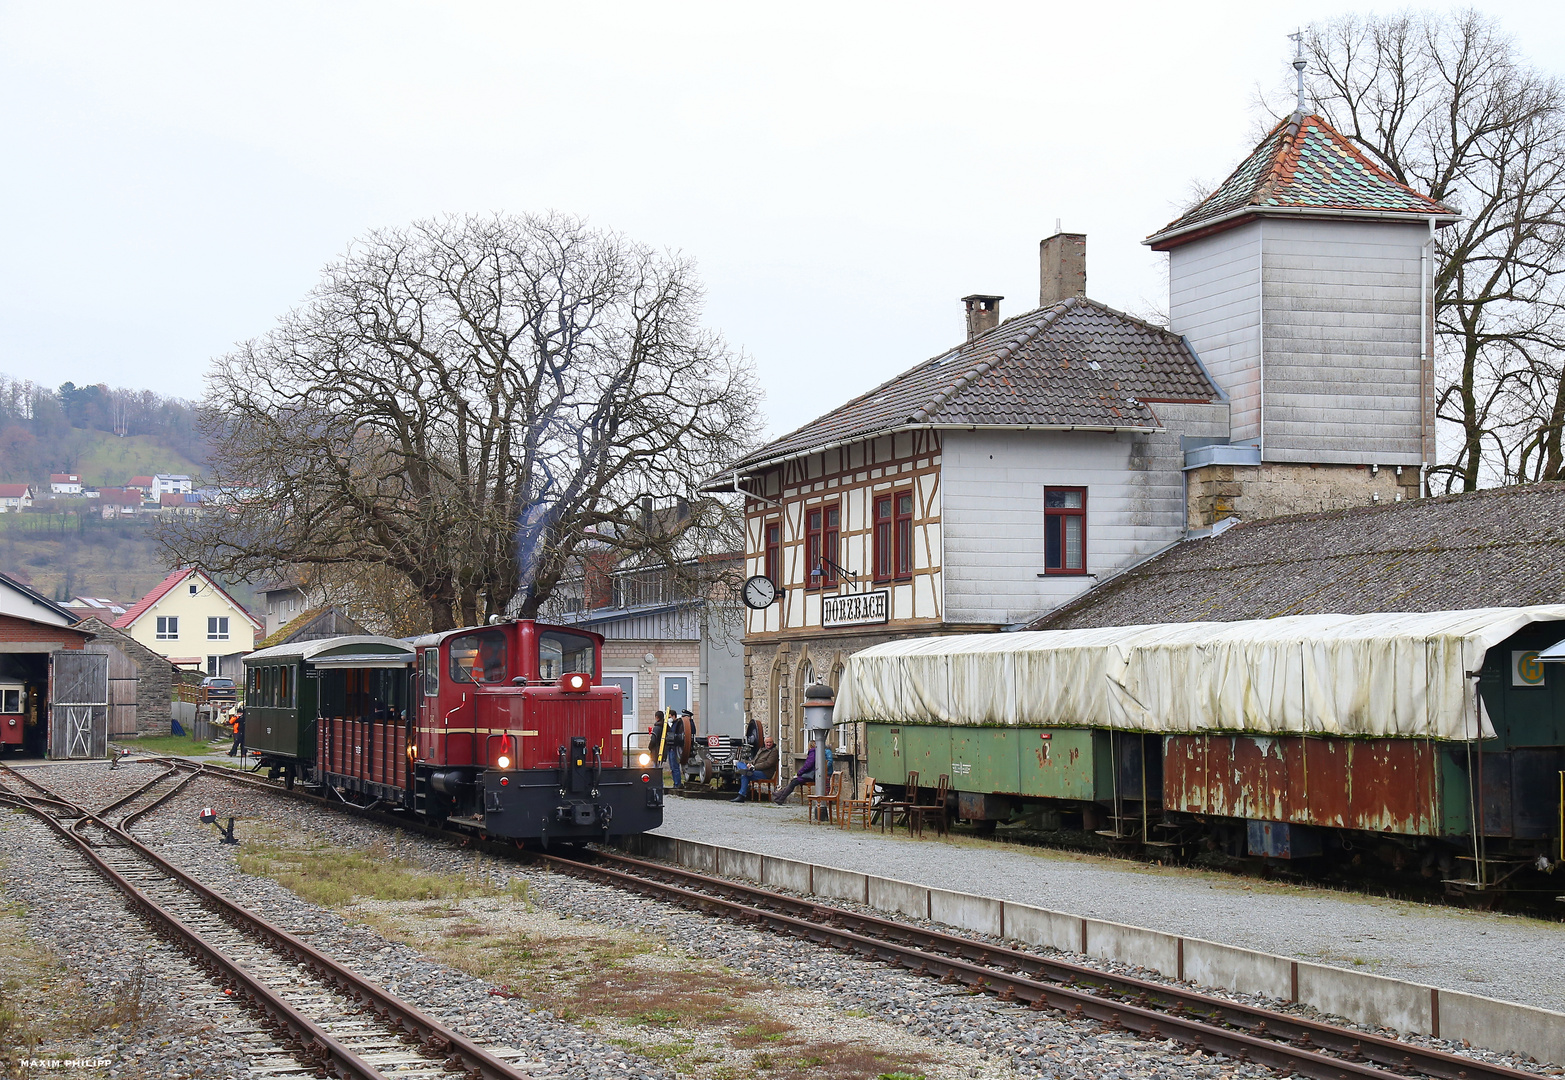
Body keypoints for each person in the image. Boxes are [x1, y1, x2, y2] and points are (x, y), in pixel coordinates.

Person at [731, 736, 778, 802]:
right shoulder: (761, 749)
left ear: (772, 743)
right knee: (740, 763)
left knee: (745, 775)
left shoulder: (774, 751)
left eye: (770, 742)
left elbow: (768, 763)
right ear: (765, 743)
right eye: (767, 742)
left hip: (765, 773)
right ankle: (745, 769)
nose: (768, 744)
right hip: (754, 770)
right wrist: (748, 764)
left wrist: (754, 767)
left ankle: (741, 796)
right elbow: (754, 760)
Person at [663, 709, 686, 787]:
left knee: (675, 766)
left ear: (673, 716)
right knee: (672, 767)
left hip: (674, 747)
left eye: (669, 717)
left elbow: (679, 736)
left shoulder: (678, 724)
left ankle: (677, 783)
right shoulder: (673, 724)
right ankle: (675, 782)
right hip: (670, 747)